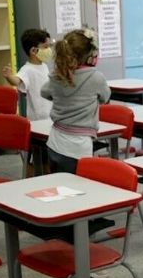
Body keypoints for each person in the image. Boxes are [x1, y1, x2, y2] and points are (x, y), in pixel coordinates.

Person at [39, 28, 110, 175]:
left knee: (58, 185)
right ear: (90, 56)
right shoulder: (96, 77)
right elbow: (105, 97)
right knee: (78, 187)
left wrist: (61, 96)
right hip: (78, 146)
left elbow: (44, 92)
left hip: (55, 141)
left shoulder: (58, 75)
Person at [1, 28, 53, 122]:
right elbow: (17, 81)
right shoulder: (27, 69)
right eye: (45, 47)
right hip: (37, 119)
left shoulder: (44, 66)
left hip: (50, 115)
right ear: (33, 50)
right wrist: (9, 76)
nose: (49, 50)